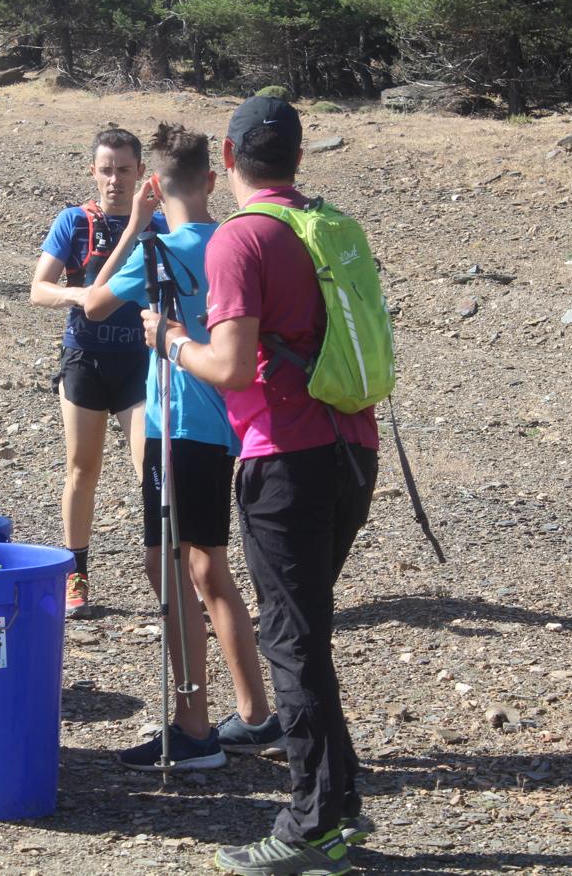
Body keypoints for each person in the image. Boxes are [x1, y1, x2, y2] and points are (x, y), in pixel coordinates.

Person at [143, 96, 379, 876]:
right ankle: (338, 805)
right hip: (354, 448)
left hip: (285, 458)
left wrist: (173, 341)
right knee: (305, 630)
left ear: (231, 158)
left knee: (294, 641)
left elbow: (232, 366)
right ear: (299, 160)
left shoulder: (241, 240)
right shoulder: (330, 227)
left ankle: (311, 826)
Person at [81, 123, 281, 770]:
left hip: (177, 428)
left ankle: (194, 726)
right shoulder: (233, 241)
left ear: (153, 186)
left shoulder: (158, 251)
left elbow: (93, 305)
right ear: (211, 180)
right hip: (230, 425)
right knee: (208, 568)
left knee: (171, 568)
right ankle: (252, 712)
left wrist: (137, 229)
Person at [31, 128, 166, 618]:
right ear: (93, 171)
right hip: (85, 358)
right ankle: (75, 573)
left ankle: (169, 574)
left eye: (124, 170)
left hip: (138, 362)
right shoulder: (73, 222)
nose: (114, 180)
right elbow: (39, 288)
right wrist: (79, 295)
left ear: (139, 173)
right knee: (82, 469)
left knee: (149, 468)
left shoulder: (159, 225)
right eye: (106, 169)